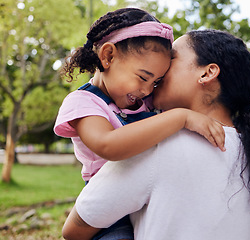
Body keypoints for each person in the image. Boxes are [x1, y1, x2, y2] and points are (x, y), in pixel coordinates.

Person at [62, 29, 250, 240]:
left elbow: (75, 230)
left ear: (206, 73)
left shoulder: (158, 143)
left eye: (171, 60)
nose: (159, 70)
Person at [55, 8, 225, 240]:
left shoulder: (140, 99)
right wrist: (181, 117)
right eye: (143, 77)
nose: (147, 90)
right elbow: (109, 145)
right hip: (111, 213)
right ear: (108, 57)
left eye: (156, 83)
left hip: (148, 198)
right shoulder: (83, 103)